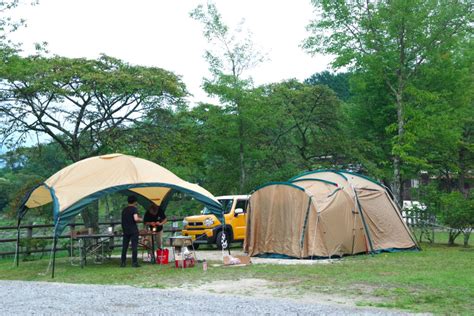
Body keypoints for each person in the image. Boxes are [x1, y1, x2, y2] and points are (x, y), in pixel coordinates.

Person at [120, 195, 142, 267]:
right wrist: (141, 219)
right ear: (135, 202)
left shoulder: (124, 210)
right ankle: (134, 262)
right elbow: (135, 219)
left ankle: (123, 262)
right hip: (133, 230)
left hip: (125, 230)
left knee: (125, 247)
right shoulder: (134, 209)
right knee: (134, 246)